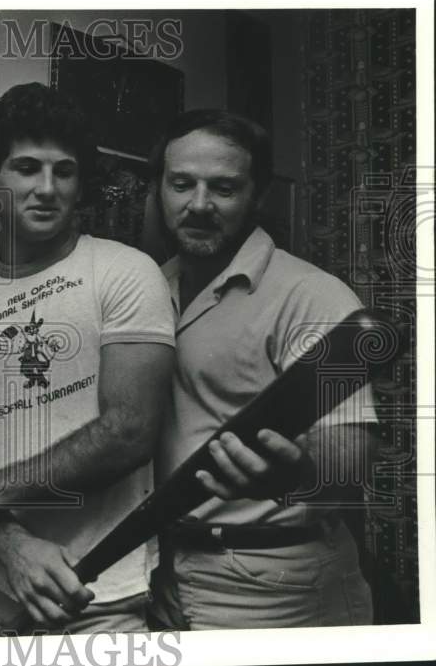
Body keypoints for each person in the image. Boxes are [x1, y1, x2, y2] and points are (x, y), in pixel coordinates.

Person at [0, 82, 176, 634]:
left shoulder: (126, 273)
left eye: (64, 172)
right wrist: (13, 548)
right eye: (27, 168)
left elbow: (130, 431)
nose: (47, 188)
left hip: (95, 594)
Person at [148, 109, 377, 629]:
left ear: (259, 194)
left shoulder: (313, 297)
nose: (199, 205)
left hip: (280, 586)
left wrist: (299, 470)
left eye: (224, 188)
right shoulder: (146, 290)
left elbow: (352, 453)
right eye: (182, 184)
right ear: (160, 187)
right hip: (170, 575)